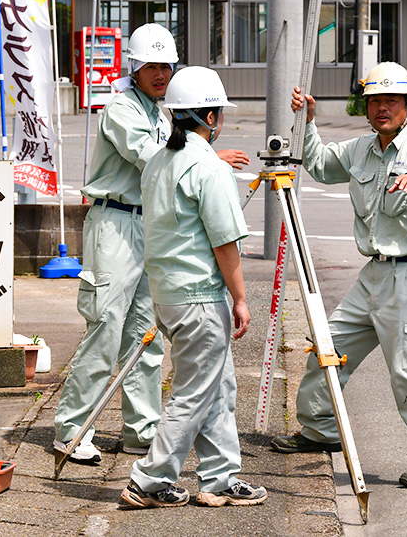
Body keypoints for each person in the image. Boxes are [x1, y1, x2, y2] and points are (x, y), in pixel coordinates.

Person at [270, 61, 407, 489]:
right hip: (373, 275)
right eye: (375, 100)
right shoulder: (362, 149)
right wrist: (308, 120)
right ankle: (320, 430)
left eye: (391, 101)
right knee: (328, 346)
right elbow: (322, 165)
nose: (383, 108)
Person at [54, 25, 248, 463]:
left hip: (149, 225)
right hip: (115, 223)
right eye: (153, 66)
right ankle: (70, 428)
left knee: (147, 332)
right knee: (106, 325)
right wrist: (209, 155)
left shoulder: (161, 113)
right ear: (135, 69)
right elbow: (151, 155)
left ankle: (141, 427)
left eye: (167, 66)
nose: (161, 74)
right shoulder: (120, 108)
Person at [120, 66, 267, 509]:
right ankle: (149, 479)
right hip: (200, 298)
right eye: (218, 112)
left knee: (217, 387)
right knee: (193, 392)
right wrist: (240, 298)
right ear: (209, 116)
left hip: (168, 293)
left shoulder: (160, 162)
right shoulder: (208, 167)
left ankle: (220, 477)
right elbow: (225, 243)